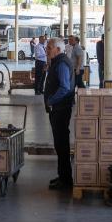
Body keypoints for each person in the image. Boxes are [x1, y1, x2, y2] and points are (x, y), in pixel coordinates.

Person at [44, 37, 75, 190]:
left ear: (58, 49)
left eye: (49, 47)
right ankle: (62, 176)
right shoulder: (58, 62)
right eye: (47, 47)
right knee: (59, 144)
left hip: (61, 109)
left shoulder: (62, 63)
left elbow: (64, 88)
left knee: (62, 144)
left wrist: (50, 101)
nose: (46, 50)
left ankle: (66, 180)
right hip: (58, 109)